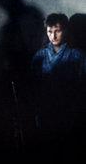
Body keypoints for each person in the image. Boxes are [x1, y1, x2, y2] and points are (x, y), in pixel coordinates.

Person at [31, 13, 86, 164]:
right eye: (50, 31)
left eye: (58, 31)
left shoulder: (78, 56)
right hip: (45, 113)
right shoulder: (39, 56)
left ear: (66, 31)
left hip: (69, 114)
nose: (53, 36)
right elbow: (33, 88)